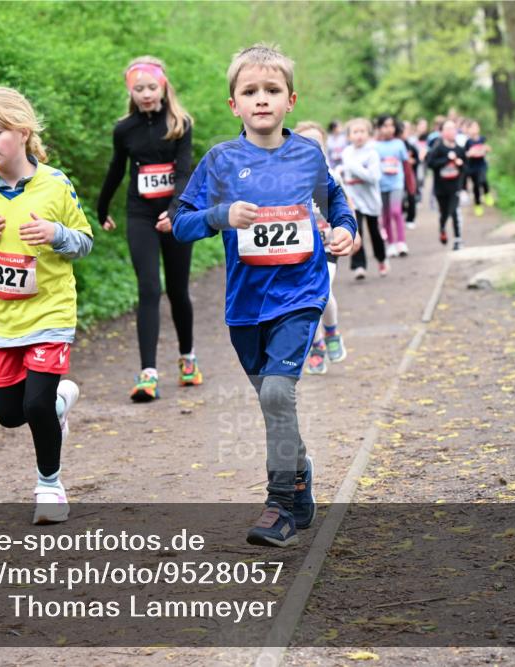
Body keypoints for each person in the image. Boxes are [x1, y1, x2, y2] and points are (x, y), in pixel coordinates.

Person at [173, 44, 357, 548]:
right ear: (234, 104)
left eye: (271, 91)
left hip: (301, 294)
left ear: (289, 100)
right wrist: (221, 215)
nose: (261, 100)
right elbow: (183, 226)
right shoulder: (221, 161)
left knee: (278, 394)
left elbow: (337, 204)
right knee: (274, 402)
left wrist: (344, 230)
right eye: (249, 92)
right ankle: (299, 476)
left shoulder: (307, 154)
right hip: (245, 306)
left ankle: (278, 505)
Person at [0, 87, 93, 526]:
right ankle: (59, 404)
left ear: (23, 132)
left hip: (51, 311)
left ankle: (49, 487)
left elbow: (84, 241)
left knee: (34, 405)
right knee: (10, 414)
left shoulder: (55, 183)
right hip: (6, 315)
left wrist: (55, 234)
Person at [96, 56, 200, 402]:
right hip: (140, 214)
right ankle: (148, 374)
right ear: (130, 90)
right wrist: (102, 205)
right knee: (148, 288)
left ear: (163, 87)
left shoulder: (181, 124)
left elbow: (184, 173)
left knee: (177, 289)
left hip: (176, 214)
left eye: (151, 87)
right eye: (138, 88)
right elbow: (115, 170)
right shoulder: (124, 129)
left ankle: (188, 358)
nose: (145, 94)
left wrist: (175, 210)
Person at [293, 121, 361, 375]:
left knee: (321, 292)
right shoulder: (289, 179)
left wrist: (354, 231)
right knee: (305, 300)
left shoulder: (331, 177)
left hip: (329, 245)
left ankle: (330, 333)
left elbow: (346, 204)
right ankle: (317, 345)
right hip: (301, 248)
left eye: (316, 145)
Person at [340, 117, 385, 279]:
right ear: (349, 136)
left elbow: (373, 177)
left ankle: (381, 259)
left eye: (362, 132)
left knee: (375, 233)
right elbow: (344, 175)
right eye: (355, 132)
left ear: (368, 134)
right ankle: (359, 266)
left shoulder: (372, 154)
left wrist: (354, 167)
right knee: (356, 230)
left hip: (371, 200)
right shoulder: (346, 153)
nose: (359, 135)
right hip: (354, 201)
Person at [426, 120, 467, 250]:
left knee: (455, 211)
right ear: (442, 132)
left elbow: (466, 168)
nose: (451, 131)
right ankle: (442, 228)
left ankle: (457, 239)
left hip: (455, 187)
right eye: (448, 129)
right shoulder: (438, 148)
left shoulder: (459, 149)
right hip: (441, 188)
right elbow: (430, 164)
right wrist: (446, 160)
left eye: (453, 128)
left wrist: (460, 164)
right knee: (444, 213)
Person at [374, 114, 409, 258]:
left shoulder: (399, 144)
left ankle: (401, 242)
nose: (389, 129)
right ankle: (391, 243)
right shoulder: (375, 146)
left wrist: (411, 185)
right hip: (381, 185)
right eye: (385, 126)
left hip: (396, 183)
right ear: (379, 128)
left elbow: (406, 165)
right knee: (386, 215)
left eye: (391, 126)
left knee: (396, 211)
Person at [464, 120, 493, 216]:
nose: (475, 129)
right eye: (472, 127)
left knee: (483, 179)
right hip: (472, 167)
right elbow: (465, 154)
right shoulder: (468, 142)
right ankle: (477, 205)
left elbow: (488, 148)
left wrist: (486, 149)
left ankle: (487, 193)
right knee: (476, 185)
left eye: (476, 126)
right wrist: (470, 153)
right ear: (468, 130)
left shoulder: (482, 139)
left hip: (481, 164)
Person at [399, 120, 421, 230]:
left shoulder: (410, 145)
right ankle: (402, 213)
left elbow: (417, 160)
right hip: (397, 176)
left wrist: (413, 161)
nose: (405, 132)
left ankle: (410, 218)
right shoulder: (396, 144)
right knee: (399, 198)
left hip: (409, 174)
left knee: (412, 195)